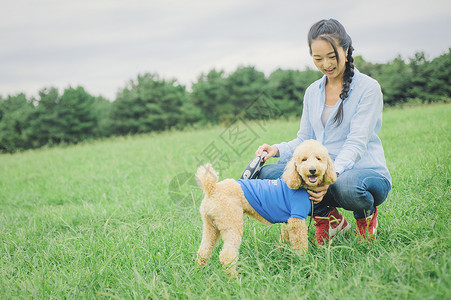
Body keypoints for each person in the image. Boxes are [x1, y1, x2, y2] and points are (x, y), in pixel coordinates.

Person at [255, 19, 392, 245]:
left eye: (331, 56)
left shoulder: (368, 88)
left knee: (346, 185)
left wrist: (329, 175)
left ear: (346, 50)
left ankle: (366, 216)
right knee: (269, 175)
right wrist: (277, 149)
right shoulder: (312, 92)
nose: (326, 64)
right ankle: (329, 219)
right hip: (320, 169)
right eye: (318, 58)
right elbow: (304, 138)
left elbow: (356, 143)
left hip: (363, 172)